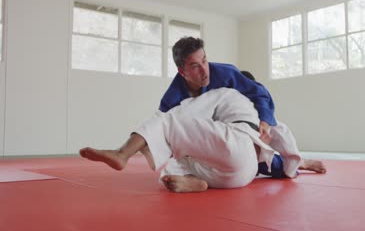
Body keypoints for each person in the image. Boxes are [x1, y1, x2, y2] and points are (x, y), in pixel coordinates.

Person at [160, 37, 325, 177]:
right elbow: (165, 133)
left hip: (238, 131)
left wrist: (264, 123)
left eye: (204, 60)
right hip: (208, 141)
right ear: (182, 72)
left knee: (264, 160)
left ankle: (298, 163)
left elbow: (260, 93)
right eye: (195, 66)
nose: (204, 70)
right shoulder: (171, 101)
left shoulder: (226, 74)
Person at [80, 87, 286, 192]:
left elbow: (185, 113)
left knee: (166, 119)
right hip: (242, 177)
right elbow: (283, 137)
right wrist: (298, 163)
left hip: (234, 145)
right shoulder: (262, 118)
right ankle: (198, 183)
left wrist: (161, 127)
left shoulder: (229, 92)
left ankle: (122, 154)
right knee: (181, 158)